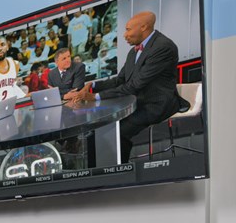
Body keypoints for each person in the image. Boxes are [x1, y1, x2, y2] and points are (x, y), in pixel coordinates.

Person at [63, 9, 187, 161]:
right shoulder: (133, 52)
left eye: (128, 29)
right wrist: (92, 85)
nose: (124, 35)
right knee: (100, 126)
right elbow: (120, 80)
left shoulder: (163, 47)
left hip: (157, 103)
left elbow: (134, 85)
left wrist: (95, 97)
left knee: (116, 132)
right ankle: (98, 172)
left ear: (143, 27)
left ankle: (118, 173)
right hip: (137, 101)